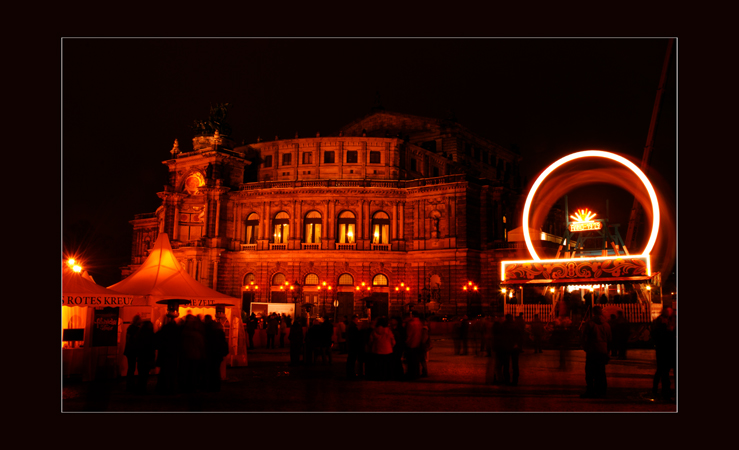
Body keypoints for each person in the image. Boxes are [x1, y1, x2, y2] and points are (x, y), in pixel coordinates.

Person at [580, 306, 612, 398]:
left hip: (592, 349)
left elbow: (585, 336)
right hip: (603, 350)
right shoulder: (606, 325)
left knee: (590, 372)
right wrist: (608, 350)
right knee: (601, 371)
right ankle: (601, 390)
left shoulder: (590, 323)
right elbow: (610, 339)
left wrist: (585, 347)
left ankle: (590, 390)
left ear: (593, 313)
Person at [651, 307, 676, 401]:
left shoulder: (668, 321)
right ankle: (663, 391)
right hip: (665, 350)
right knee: (662, 371)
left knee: (662, 371)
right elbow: (657, 335)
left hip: (667, 350)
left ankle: (662, 390)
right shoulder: (660, 322)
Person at [370, 316, 395, 380]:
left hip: (377, 350)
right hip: (387, 350)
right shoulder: (388, 331)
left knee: (378, 365)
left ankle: (379, 376)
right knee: (386, 365)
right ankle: (386, 376)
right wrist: (391, 346)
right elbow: (393, 341)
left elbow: (371, 340)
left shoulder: (374, 330)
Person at [135, 319, 156, 394]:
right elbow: (153, 345)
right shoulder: (151, 335)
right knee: (145, 374)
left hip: (142, 356)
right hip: (148, 356)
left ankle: (140, 388)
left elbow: (137, 345)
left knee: (141, 373)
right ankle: (142, 388)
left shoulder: (140, 334)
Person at [124, 314, 142, 392]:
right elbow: (131, 339)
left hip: (129, 350)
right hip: (132, 350)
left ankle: (130, 384)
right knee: (132, 368)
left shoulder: (130, 328)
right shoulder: (135, 329)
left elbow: (128, 339)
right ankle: (130, 384)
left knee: (131, 368)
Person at [404, 315, 423, 380]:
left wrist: (406, 342)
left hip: (411, 344)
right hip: (417, 343)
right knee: (415, 361)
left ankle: (411, 374)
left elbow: (408, 335)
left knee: (410, 361)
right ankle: (416, 374)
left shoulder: (410, 324)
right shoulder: (419, 323)